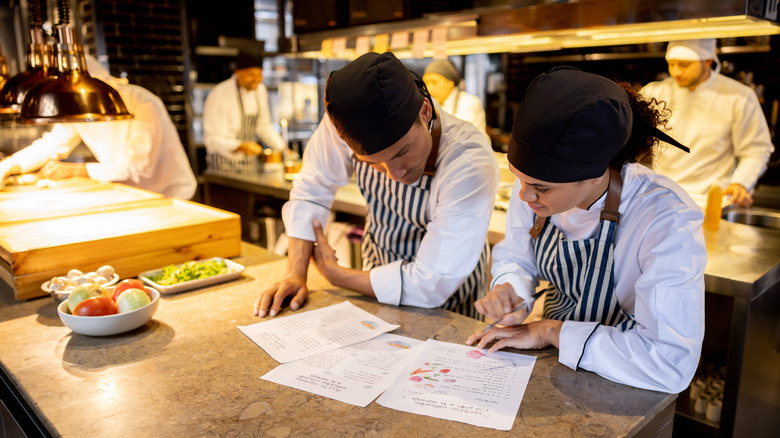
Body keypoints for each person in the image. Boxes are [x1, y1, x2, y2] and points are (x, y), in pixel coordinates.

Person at [466, 66, 706, 393]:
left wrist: (550, 332)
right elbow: (517, 257)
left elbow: (669, 363)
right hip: (552, 366)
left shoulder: (664, 217)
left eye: (540, 188)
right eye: (518, 180)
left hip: (626, 381)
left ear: (595, 174)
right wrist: (511, 290)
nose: (524, 196)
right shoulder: (534, 194)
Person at [254, 51, 499, 319]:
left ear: (425, 112)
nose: (394, 175)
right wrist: (295, 274)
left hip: (449, 307)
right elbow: (313, 189)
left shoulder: (469, 159)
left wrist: (337, 275)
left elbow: (431, 285)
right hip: (375, 289)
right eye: (373, 164)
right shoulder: (346, 120)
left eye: (402, 153)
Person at [0, 55, 197, 199]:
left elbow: (138, 169)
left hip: (172, 196)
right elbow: (52, 145)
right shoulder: (77, 109)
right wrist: (7, 166)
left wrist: (75, 171)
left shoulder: (143, 103)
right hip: (129, 196)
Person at [641, 39, 774, 207]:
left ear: (708, 61)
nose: (676, 72)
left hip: (710, 202)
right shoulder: (653, 92)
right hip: (661, 199)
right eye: (671, 64)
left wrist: (740, 183)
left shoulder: (739, 96)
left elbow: (756, 149)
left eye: (684, 65)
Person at [203, 49, 285, 173]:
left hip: (250, 167)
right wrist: (240, 147)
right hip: (224, 169)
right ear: (238, 72)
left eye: (259, 75)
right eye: (251, 75)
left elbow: (263, 126)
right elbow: (212, 139)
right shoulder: (220, 94)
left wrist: (283, 148)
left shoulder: (260, 90)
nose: (257, 80)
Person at [423, 59, 490, 143]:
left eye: (435, 82)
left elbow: (461, 136)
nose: (429, 88)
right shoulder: (428, 105)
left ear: (450, 83)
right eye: (426, 82)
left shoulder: (469, 103)